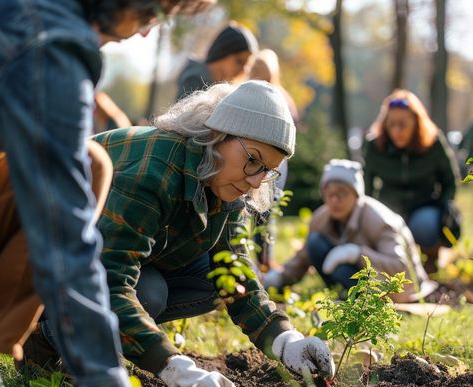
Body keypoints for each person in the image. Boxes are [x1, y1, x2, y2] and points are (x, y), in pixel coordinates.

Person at [24, 81, 335, 387]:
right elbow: (111, 282)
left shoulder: (223, 182)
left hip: (88, 264)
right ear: (219, 135)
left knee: (217, 279)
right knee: (148, 293)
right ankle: (46, 331)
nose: (255, 180)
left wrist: (286, 340)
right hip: (32, 263)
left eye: (267, 171)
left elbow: (236, 276)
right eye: (252, 160)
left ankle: (90, 333)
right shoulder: (153, 172)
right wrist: (173, 366)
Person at [0, 0, 214, 387]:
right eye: (154, 12)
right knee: (85, 173)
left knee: (91, 162)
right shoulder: (50, 42)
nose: (146, 33)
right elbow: (63, 232)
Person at [263, 160, 438, 303]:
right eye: (329, 194)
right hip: (355, 277)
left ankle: (362, 300)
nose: (335, 200)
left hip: (397, 289)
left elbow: (400, 265)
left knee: (340, 268)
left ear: (356, 195)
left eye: (342, 194)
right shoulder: (321, 217)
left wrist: (357, 254)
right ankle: (344, 295)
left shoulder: (379, 220)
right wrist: (279, 277)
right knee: (315, 242)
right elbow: (304, 256)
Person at [363, 89, 460, 273]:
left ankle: (430, 261)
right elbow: (366, 186)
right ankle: (391, 267)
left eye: (403, 124)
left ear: (416, 123)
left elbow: (449, 181)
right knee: (384, 230)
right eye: (391, 124)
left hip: (424, 207)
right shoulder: (375, 146)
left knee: (425, 224)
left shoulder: (434, 143)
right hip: (389, 208)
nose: (397, 130)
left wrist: (447, 206)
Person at [247, 48, 300, 271]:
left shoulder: (248, 92)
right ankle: (264, 262)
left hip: (258, 159)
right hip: (276, 162)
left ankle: (263, 262)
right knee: (266, 213)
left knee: (263, 210)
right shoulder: (283, 97)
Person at [176, 21, 258, 100]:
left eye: (247, 65)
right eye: (239, 61)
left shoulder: (222, 85)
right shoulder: (194, 80)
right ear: (223, 52)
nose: (243, 69)